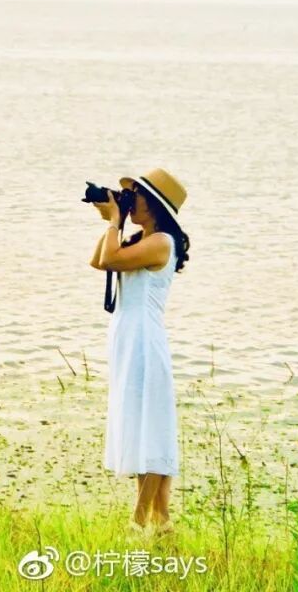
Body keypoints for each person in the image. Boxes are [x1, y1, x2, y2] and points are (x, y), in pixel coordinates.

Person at [89, 168, 191, 537]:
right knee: (138, 424)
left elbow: (110, 259)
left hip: (145, 342)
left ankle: (138, 522)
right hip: (128, 340)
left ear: (156, 205)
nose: (131, 202)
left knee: (152, 429)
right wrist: (112, 221)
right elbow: (99, 260)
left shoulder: (162, 242)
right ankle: (162, 524)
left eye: (137, 196)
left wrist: (115, 221)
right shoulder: (137, 240)